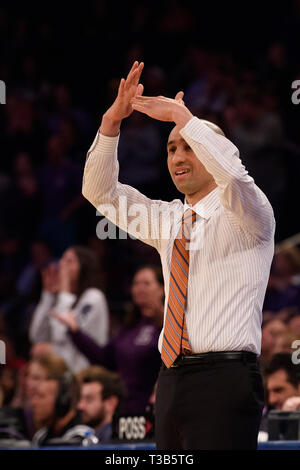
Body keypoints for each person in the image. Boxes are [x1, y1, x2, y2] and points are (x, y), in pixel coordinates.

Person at [81, 61, 275, 450]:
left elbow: (234, 176)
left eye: (189, 145)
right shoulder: (167, 219)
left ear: (216, 151)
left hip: (226, 377)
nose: (178, 156)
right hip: (170, 376)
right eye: (172, 148)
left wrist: (183, 118)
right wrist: (110, 123)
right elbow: (99, 193)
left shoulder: (250, 213)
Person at [52, 265, 164, 415]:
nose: (139, 288)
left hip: (153, 407)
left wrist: (164, 314)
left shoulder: (167, 324)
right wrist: (75, 331)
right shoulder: (130, 326)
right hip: (124, 410)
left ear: (162, 288)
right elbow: (103, 358)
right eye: (136, 283)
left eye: (146, 283)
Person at [29, 245, 109, 372]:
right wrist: (48, 295)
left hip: (84, 374)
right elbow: (36, 336)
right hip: (63, 374)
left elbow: (61, 336)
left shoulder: (94, 297)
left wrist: (64, 292)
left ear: (84, 268)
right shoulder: (63, 298)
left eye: (69, 261)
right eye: (62, 260)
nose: (61, 265)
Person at [31, 371, 93, 447]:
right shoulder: (41, 437)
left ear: (62, 402)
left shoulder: (82, 438)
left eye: (41, 396)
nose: (34, 402)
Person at [77, 366, 126, 443]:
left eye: (89, 399)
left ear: (111, 403)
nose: (80, 406)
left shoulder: (115, 440)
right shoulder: (84, 436)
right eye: (80, 399)